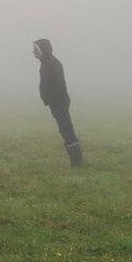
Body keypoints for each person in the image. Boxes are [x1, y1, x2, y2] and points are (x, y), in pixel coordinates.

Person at [33, 38, 83, 166]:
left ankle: (77, 162)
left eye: (36, 49)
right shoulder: (47, 63)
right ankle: (76, 161)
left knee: (66, 130)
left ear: (43, 50)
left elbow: (57, 85)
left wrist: (53, 100)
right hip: (56, 102)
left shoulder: (51, 64)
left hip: (59, 102)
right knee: (65, 129)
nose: (33, 52)